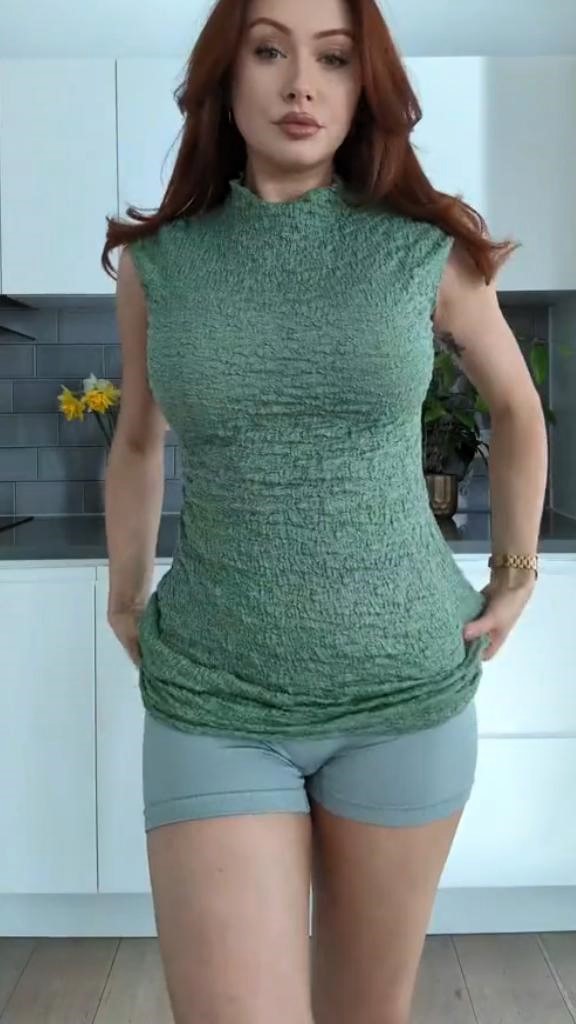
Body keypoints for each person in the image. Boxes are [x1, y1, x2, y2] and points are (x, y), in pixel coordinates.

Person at [101, 1, 548, 1022]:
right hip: (215, 695)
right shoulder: (160, 264)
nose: (301, 84)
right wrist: (124, 593)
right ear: (225, 79)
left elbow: (519, 409)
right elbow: (136, 441)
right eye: (269, 51)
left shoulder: (423, 250)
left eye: (335, 59)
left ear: (363, 87)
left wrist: (515, 573)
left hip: (404, 694)